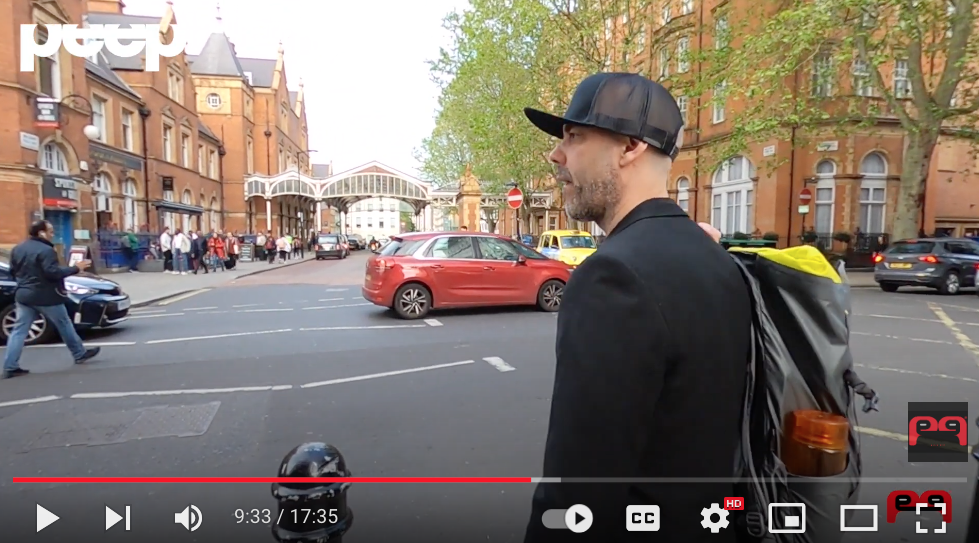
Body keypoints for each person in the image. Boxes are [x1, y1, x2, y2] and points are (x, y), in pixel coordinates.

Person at [520, 73, 752, 543]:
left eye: (574, 136)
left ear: (629, 147)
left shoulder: (611, 277)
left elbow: (580, 487)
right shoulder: (715, 258)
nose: (556, 155)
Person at [2, 220, 100, 379]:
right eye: (51, 231)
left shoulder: (18, 248)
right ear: (41, 233)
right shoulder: (47, 250)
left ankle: (10, 366)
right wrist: (76, 268)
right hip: (45, 296)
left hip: (24, 295)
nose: (52, 234)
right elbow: (52, 272)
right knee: (64, 323)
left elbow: (13, 271)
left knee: (19, 331)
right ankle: (79, 353)